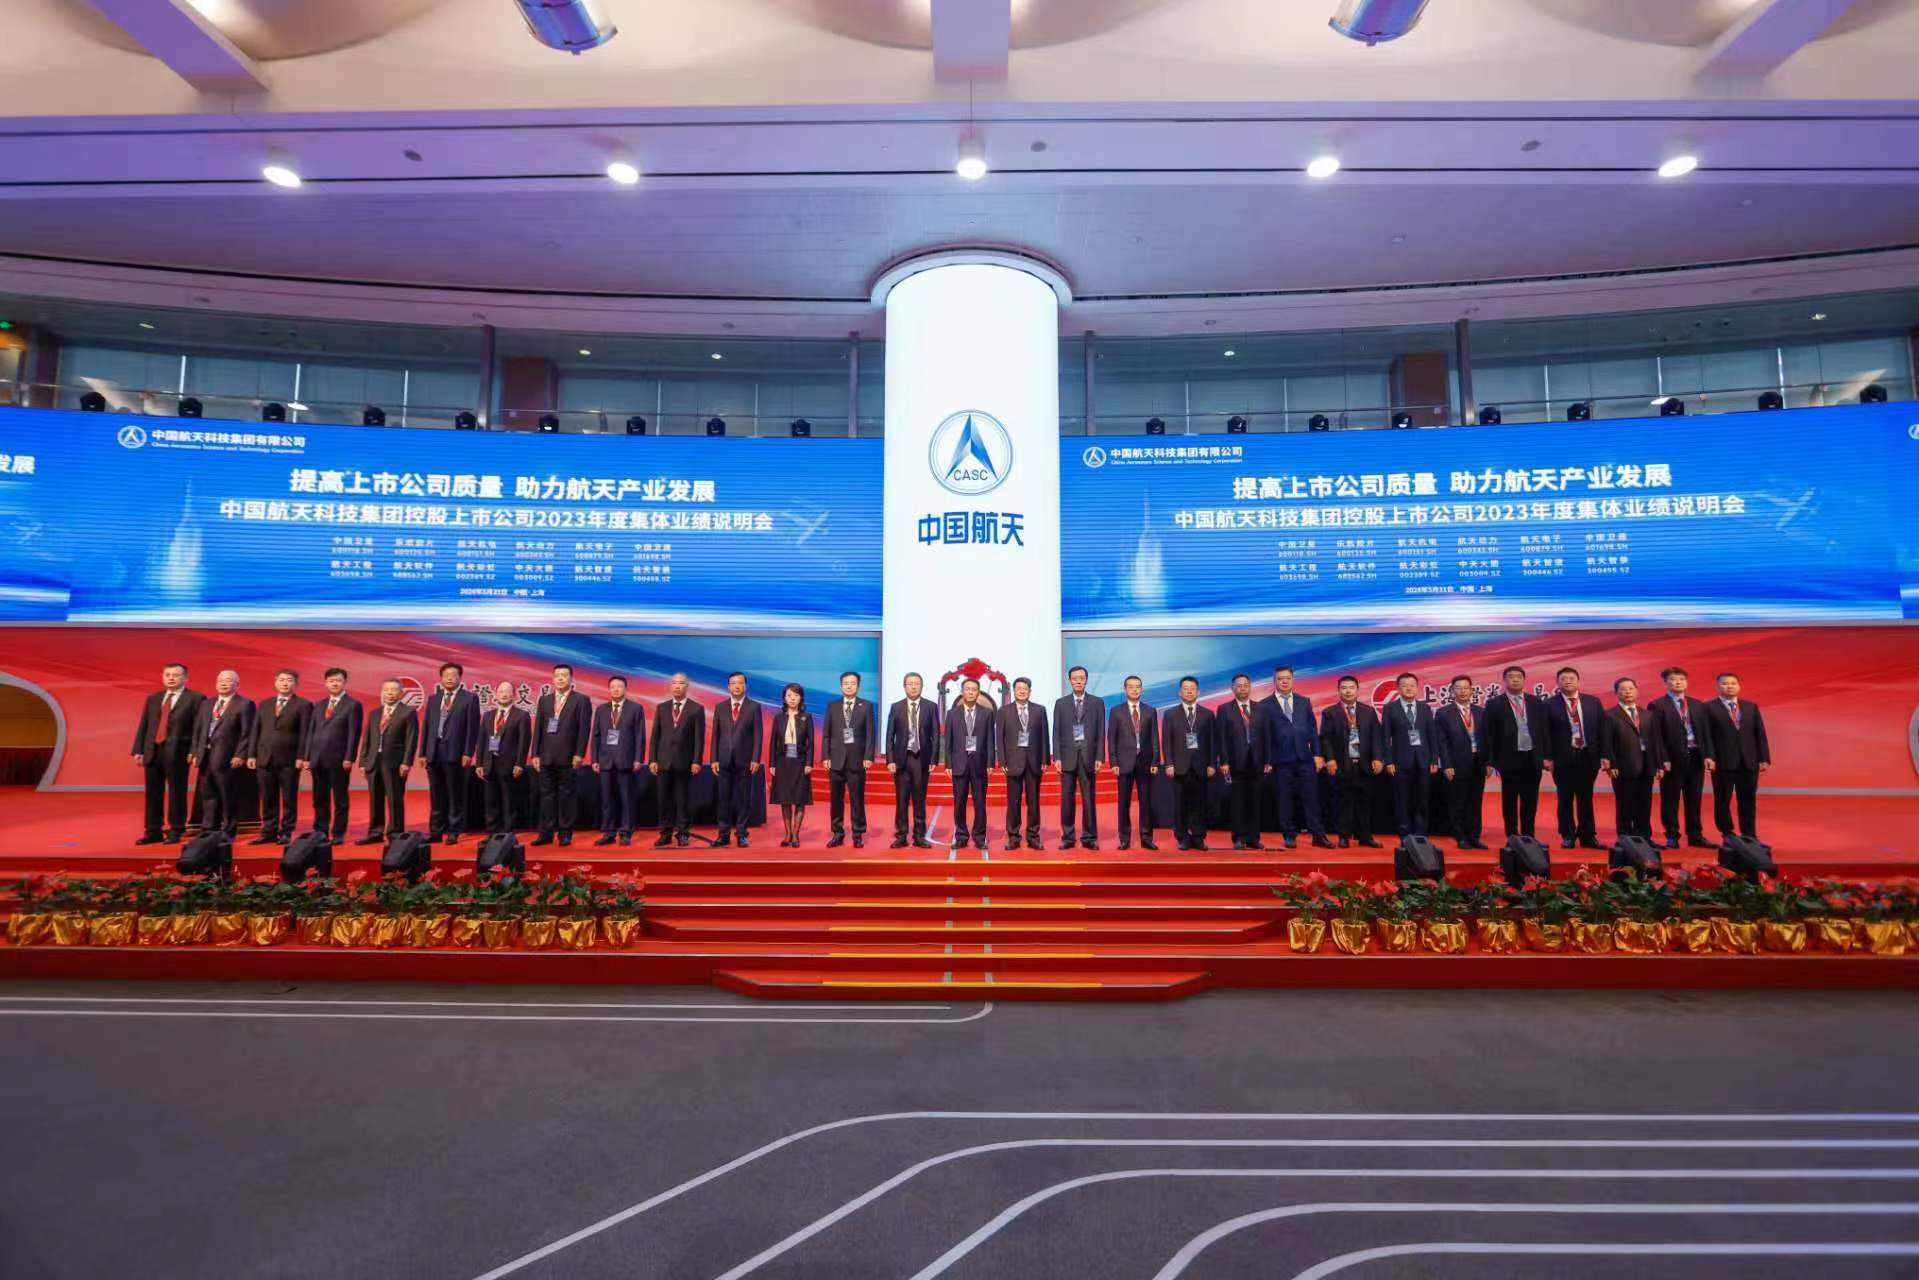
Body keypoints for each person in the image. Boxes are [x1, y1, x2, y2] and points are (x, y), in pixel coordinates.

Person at [132, 662, 205, 845]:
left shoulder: (196, 698)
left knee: (177, 791)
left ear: (185, 678)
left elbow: (199, 728)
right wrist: (139, 749)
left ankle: (176, 829)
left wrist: (195, 750)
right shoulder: (154, 698)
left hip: (178, 752)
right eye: (167, 675)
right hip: (153, 750)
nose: (171, 678)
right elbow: (145, 725)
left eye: (176, 675)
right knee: (153, 792)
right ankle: (153, 830)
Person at [1260, 665, 1329, 850]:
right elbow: (1264, 735)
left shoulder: (1303, 701)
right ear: (1274, 681)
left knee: (1312, 798)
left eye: (1287, 678)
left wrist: (1317, 754)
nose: (1284, 681)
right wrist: (1267, 760)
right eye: (1280, 679)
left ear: (1292, 680)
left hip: (1304, 758)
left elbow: (1313, 729)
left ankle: (1318, 834)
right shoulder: (1264, 705)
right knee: (1284, 799)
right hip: (1280, 760)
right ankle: (1289, 835)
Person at [1645, 666, 1715, 850]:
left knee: (1694, 799)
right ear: (1665, 683)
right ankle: (1672, 835)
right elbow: (1656, 736)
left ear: (1687, 682)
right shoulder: (1657, 705)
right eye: (1673, 679)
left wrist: (1708, 755)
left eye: (1682, 679)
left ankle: (1695, 835)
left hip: (1695, 757)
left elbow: (1706, 733)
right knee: (1671, 799)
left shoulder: (1698, 705)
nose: (1678, 682)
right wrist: (1662, 759)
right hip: (1672, 760)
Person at [1483, 664, 1549, 842]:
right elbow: (1489, 734)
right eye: (1511, 677)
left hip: (1532, 757)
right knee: (1510, 800)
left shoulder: (1535, 702)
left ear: (1524, 680)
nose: (1515, 679)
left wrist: (1546, 756)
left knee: (1531, 799)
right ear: (1504, 680)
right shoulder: (1494, 704)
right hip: (1508, 758)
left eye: (1518, 676)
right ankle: (1512, 835)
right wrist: (1490, 761)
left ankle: (1529, 835)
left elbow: (1544, 730)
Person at [1702, 671, 1770, 842]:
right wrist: (1709, 756)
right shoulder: (1708, 707)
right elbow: (1706, 735)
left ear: (1739, 686)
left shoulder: (1750, 707)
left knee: (1748, 799)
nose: (1729, 686)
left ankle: (1749, 833)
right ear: (1718, 687)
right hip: (1722, 761)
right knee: (1722, 799)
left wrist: (1763, 758)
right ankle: (1727, 833)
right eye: (1725, 683)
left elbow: (1760, 733)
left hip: (1749, 761)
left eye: (1733, 683)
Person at [1545, 665, 1606, 851]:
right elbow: (1544, 733)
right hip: (1562, 758)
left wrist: (1605, 755)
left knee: (1586, 798)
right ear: (1557, 683)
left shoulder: (1592, 702)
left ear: (1578, 681)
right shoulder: (1549, 704)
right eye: (1563, 679)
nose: (1568, 681)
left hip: (1588, 756)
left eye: (1571, 678)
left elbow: (1602, 730)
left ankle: (1588, 836)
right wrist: (1547, 757)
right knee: (1565, 798)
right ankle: (1568, 835)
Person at [246, 668, 310, 845]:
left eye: (289, 680)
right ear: (275, 682)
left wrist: (302, 756)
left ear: (295, 684)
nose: (285, 683)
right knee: (268, 797)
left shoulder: (303, 705)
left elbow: (305, 733)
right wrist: (251, 754)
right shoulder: (265, 704)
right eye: (281, 680)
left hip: (289, 759)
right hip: (264, 757)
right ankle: (269, 831)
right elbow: (255, 730)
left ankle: (286, 831)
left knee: (289, 798)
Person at [1319, 674, 1383, 848]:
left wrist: (1378, 758)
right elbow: (1325, 739)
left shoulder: (1368, 711)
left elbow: (1376, 737)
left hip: (1364, 763)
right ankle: (1344, 836)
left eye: (1351, 687)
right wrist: (1330, 759)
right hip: (1341, 763)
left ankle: (1365, 836)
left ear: (1357, 690)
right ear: (1339, 690)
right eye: (1344, 688)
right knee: (1343, 802)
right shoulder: (1330, 712)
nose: (1348, 691)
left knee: (1365, 802)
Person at [531, 663, 591, 847]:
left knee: (567, 796)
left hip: (568, 756)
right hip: (546, 755)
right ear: (553, 678)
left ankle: (565, 833)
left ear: (571, 678)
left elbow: (584, 729)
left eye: (564, 675)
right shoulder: (545, 700)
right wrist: (535, 754)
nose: (560, 678)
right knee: (546, 796)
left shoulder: (581, 700)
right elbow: (538, 728)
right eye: (557, 675)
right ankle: (546, 833)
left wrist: (579, 753)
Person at [191, 669, 256, 840]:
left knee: (227, 795)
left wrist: (240, 754)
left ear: (237, 685)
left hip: (227, 757)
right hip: (205, 756)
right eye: (220, 680)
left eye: (228, 680)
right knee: (208, 794)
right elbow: (198, 730)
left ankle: (229, 829)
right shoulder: (207, 704)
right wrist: (195, 751)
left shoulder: (245, 704)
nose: (223, 683)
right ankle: (208, 828)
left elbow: (247, 732)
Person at [300, 668, 362, 842]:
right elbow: (311, 732)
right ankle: (320, 831)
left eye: (338, 680)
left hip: (339, 759)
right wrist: (307, 757)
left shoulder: (353, 705)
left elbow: (353, 734)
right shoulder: (319, 705)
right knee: (319, 798)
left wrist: (349, 757)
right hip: (317, 759)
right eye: (331, 680)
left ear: (344, 682)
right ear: (326, 683)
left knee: (340, 799)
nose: (335, 683)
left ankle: (338, 833)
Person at [420, 661, 479, 845]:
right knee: (436, 795)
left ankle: (454, 830)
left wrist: (468, 752)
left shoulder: (469, 698)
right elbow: (427, 726)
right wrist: (422, 752)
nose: (450, 678)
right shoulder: (434, 699)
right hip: (434, 752)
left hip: (456, 753)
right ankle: (436, 831)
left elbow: (472, 728)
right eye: (446, 675)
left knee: (455, 794)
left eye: (453, 675)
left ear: (460, 677)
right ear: (441, 678)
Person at [356, 678, 417, 844]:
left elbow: (411, 739)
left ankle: (395, 832)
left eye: (394, 690)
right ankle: (375, 832)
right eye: (387, 690)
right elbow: (367, 739)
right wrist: (363, 762)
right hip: (373, 761)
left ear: (401, 693)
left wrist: (407, 762)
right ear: (382, 692)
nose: (390, 693)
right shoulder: (375, 713)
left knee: (394, 798)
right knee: (375, 798)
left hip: (395, 763)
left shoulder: (408, 712)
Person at [649, 672, 705, 847]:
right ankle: (665, 833)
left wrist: (696, 761)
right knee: (663, 800)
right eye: (674, 683)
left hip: (685, 761)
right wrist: (652, 759)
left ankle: (683, 833)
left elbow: (699, 738)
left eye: (681, 683)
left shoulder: (696, 708)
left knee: (683, 800)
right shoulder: (662, 707)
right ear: (670, 686)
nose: (677, 686)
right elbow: (655, 736)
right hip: (663, 761)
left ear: (687, 686)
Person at [1052, 665, 1105, 850]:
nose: (1078, 681)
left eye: (1081, 678)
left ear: (1086, 680)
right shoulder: (1061, 703)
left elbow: (1100, 731)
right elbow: (1056, 732)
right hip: (1067, 757)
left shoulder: (1097, 703)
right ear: (1070, 681)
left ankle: (1089, 837)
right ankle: (1068, 837)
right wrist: (1057, 757)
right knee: (1067, 799)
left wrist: (1099, 757)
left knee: (1088, 799)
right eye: (1075, 678)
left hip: (1088, 757)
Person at [1381, 672, 1439, 839]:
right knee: (1402, 800)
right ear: (1398, 688)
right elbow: (1385, 737)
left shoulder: (1425, 708)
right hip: (1400, 761)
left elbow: (1432, 735)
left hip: (1423, 761)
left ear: (1417, 688)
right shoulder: (1390, 709)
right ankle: (1405, 835)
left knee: (1422, 799)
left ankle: (1421, 834)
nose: (1409, 688)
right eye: (1405, 685)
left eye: (1412, 685)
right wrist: (1388, 761)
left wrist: (1434, 759)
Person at [885, 672, 940, 849]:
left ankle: (919, 836)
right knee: (901, 800)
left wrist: (933, 759)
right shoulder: (896, 707)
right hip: (901, 759)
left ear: (921, 686)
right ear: (904, 686)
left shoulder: (930, 706)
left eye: (917, 683)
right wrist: (890, 759)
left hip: (921, 759)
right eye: (910, 683)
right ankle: (901, 835)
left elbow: (935, 735)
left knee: (919, 799)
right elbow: (890, 736)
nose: (913, 686)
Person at [1434, 675, 1488, 850]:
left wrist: (1489, 763)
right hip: (1456, 763)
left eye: (1466, 688)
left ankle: (1474, 836)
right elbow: (1441, 742)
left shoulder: (1481, 712)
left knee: (1475, 801)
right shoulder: (1444, 713)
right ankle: (1460, 835)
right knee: (1458, 800)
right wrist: (1447, 764)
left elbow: (1488, 739)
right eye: (1458, 688)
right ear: (1452, 691)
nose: (1462, 691)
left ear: (1472, 691)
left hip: (1478, 762)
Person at [710, 672, 763, 848]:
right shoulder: (720, 707)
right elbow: (715, 735)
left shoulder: (754, 707)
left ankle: (741, 834)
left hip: (745, 760)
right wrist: (714, 759)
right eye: (733, 683)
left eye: (740, 683)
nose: (737, 686)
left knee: (743, 800)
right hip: (723, 760)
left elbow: (758, 735)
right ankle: (723, 834)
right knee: (723, 799)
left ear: (745, 686)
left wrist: (755, 758)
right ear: (728, 686)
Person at [1602, 676, 1658, 842]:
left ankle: (1645, 838)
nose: (1627, 692)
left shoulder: (1648, 714)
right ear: (1616, 693)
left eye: (1631, 688)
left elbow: (1655, 741)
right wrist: (1611, 764)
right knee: (1625, 803)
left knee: (1645, 803)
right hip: (1622, 766)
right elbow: (1606, 741)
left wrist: (1657, 764)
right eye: (1623, 689)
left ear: (1637, 691)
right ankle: (1625, 838)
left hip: (1646, 766)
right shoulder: (1610, 715)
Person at [995, 677, 1049, 850]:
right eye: (1018, 688)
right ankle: (1013, 837)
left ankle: (1033, 836)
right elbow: (999, 738)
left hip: (1034, 762)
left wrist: (1045, 759)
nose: (1022, 691)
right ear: (1014, 691)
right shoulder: (1004, 711)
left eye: (1025, 688)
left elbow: (1044, 736)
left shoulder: (1039, 710)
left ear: (1029, 691)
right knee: (1014, 802)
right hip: (1012, 762)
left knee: (1034, 802)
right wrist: (1002, 760)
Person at [1107, 675, 1159, 851]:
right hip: (1124, 762)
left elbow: (1154, 737)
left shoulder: (1150, 711)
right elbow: (1111, 738)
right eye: (1131, 687)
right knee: (1124, 802)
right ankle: (1124, 838)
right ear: (1125, 689)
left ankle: (1146, 838)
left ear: (1142, 689)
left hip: (1145, 762)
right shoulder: (1116, 711)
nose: (1135, 689)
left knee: (1146, 802)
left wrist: (1155, 760)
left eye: (1138, 687)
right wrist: (1113, 761)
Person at [590, 676, 644, 846]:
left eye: (619, 686)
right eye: (612, 686)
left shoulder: (635, 708)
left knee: (626, 798)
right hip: (605, 760)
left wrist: (638, 758)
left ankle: (626, 832)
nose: (615, 689)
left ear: (625, 689)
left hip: (626, 759)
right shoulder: (601, 709)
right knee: (607, 799)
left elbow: (639, 735)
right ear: (609, 689)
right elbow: (596, 736)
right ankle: (608, 832)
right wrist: (594, 759)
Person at [1165, 676, 1217, 851]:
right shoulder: (1170, 714)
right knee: (1180, 805)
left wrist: (1212, 764)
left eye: (1192, 689)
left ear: (1198, 692)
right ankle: (1182, 838)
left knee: (1199, 804)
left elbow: (1213, 741)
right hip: (1179, 766)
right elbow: (1167, 741)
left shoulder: (1208, 714)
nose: (1189, 691)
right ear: (1180, 692)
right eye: (1185, 689)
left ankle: (1198, 837)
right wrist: (1169, 763)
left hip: (1201, 766)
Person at [1214, 673, 1266, 850]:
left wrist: (1268, 760)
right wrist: (1224, 761)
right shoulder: (1224, 709)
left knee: (1255, 802)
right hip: (1235, 762)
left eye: (1245, 685)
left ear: (1250, 687)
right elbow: (1221, 737)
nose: (1242, 689)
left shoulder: (1260, 708)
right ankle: (1238, 837)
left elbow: (1266, 735)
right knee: (1237, 803)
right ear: (1232, 688)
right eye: (1239, 686)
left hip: (1256, 762)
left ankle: (1254, 838)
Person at [823, 671, 874, 849]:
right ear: (841, 686)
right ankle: (837, 833)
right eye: (846, 683)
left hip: (857, 760)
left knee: (857, 799)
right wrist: (826, 756)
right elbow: (827, 734)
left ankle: (857, 833)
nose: (849, 686)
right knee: (836, 800)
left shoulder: (866, 706)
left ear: (858, 686)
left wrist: (868, 756)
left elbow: (870, 734)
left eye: (853, 683)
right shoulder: (832, 706)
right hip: (836, 760)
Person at [943, 678, 993, 850]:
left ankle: (979, 837)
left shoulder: (987, 713)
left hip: (980, 765)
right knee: (959, 803)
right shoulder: (952, 714)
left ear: (978, 693)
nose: (971, 692)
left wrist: (990, 763)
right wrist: (948, 764)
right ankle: (961, 836)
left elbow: (990, 739)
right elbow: (948, 741)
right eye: (968, 689)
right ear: (962, 692)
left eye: (974, 689)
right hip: (959, 764)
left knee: (980, 803)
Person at [474, 681, 530, 836]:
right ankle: (492, 832)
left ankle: (507, 833)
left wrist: (520, 763)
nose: (504, 694)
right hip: (489, 763)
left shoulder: (521, 715)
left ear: (514, 695)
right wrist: (479, 763)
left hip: (509, 765)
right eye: (501, 691)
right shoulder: (488, 715)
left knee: (508, 801)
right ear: (495, 694)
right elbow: (482, 740)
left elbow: (524, 742)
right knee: (491, 801)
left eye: (507, 691)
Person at [770, 683, 814, 847]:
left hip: (800, 762)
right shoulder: (778, 718)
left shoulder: (806, 717)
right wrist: (772, 764)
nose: (792, 698)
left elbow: (811, 743)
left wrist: (809, 763)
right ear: (784, 698)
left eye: (796, 695)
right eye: (789, 695)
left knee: (800, 799)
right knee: (785, 799)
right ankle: (787, 833)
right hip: (783, 762)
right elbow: (773, 742)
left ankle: (796, 834)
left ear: (801, 698)